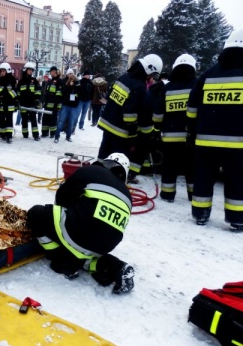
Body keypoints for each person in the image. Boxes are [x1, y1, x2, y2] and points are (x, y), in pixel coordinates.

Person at [26, 153, 135, 294]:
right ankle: (115, 267)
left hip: (80, 232)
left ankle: (62, 260)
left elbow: (62, 196)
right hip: (105, 245)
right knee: (85, 255)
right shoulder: (127, 194)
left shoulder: (91, 171)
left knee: (36, 214)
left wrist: (59, 221)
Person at [186, 28, 243, 230]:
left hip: (205, 141)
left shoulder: (209, 74)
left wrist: (192, 128)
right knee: (237, 180)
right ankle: (237, 219)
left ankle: (200, 214)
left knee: (203, 178)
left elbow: (192, 105)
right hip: (238, 144)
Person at [96, 54, 163, 162]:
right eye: (152, 74)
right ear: (148, 70)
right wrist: (133, 135)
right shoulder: (139, 86)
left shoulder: (124, 77)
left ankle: (98, 175)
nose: (151, 78)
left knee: (103, 155)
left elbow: (110, 95)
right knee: (117, 161)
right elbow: (129, 114)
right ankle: (113, 177)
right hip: (120, 130)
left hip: (107, 124)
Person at [152, 54, 197, 202]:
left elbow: (158, 113)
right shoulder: (197, 86)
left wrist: (157, 129)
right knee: (192, 167)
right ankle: (194, 195)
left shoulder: (168, 88)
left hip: (170, 136)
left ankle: (167, 194)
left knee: (169, 166)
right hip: (191, 137)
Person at [16, 62, 42, 140]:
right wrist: (18, 101)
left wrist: (37, 100)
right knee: (24, 120)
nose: (30, 71)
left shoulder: (34, 81)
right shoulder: (21, 81)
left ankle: (36, 135)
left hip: (32, 104)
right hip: (23, 104)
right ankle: (25, 134)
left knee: (33, 120)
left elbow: (38, 91)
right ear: (25, 70)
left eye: (31, 70)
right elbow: (18, 93)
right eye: (29, 70)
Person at [0, 62, 18, 143]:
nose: (2, 73)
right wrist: (3, 93)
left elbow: (15, 92)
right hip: (1, 103)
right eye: (1, 71)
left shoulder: (12, 80)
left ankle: (9, 136)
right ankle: (2, 134)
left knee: (9, 120)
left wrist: (8, 95)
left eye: (3, 71)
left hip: (10, 103)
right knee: (1, 119)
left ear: (7, 71)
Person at [54, 70, 80, 143]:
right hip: (65, 105)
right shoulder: (65, 83)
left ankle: (68, 136)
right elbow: (63, 92)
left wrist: (74, 86)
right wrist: (69, 86)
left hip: (73, 106)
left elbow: (80, 93)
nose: (71, 75)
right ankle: (57, 136)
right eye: (69, 74)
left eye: (72, 74)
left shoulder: (77, 84)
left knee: (71, 122)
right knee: (61, 121)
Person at [41, 66, 63, 138]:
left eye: (51, 72)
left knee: (53, 120)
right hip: (47, 104)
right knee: (45, 119)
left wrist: (57, 106)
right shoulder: (50, 81)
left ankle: (52, 133)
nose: (50, 73)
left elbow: (59, 95)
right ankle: (44, 133)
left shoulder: (59, 81)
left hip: (54, 105)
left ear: (54, 72)